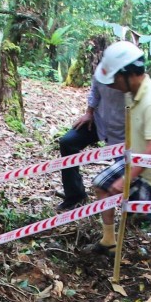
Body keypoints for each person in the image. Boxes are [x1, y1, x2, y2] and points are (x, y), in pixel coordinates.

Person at [88, 40, 151, 264]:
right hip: (136, 159)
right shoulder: (132, 92)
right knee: (102, 184)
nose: (112, 85)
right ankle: (109, 241)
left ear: (129, 74)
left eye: (114, 79)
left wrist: (125, 180)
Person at [56, 37, 126, 212]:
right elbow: (95, 91)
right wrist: (89, 112)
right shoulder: (101, 71)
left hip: (124, 132)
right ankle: (75, 196)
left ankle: (132, 209)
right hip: (99, 121)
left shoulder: (133, 80)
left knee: (127, 170)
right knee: (68, 142)